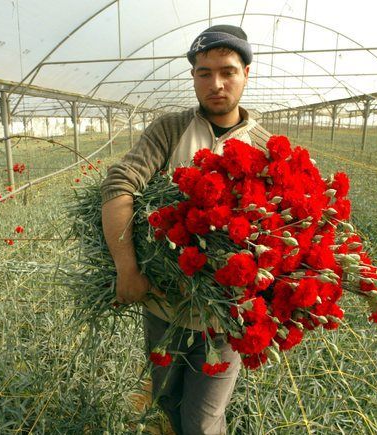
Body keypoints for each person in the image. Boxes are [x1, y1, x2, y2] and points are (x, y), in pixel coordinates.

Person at [100, 24, 271, 434]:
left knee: (203, 420)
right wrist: (128, 270)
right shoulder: (170, 130)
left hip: (227, 315)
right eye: (204, 72)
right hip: (165, 305)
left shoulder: (266, 147)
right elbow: (120, 184)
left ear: (246, 73)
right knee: (168, 402)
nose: (216, 83)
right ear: (193, 76)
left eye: (228, 71)